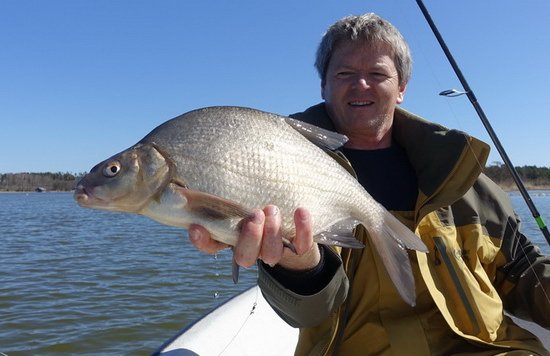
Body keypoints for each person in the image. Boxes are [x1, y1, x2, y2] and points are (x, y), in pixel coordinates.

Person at [189, 13, 550, 355]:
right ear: (324, 86)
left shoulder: (461, 177)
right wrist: (298, 266)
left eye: (377, 74)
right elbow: (309, 314)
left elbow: (521, 270)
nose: (361, 84)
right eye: (345, 72)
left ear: (402, 88)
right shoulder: (279, 174)